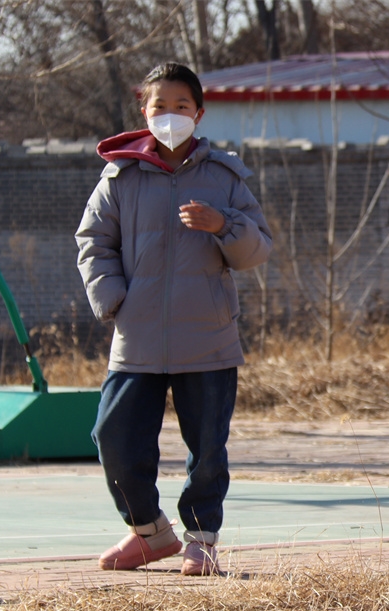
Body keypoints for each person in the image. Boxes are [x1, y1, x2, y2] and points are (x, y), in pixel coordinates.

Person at [76, 62, 272, 576]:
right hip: (137, 335)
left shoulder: (225, 176)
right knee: (112, 437)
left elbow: (257, 249)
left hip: (206, 336)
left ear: (199, 114)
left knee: (207, 447)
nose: (169, 116)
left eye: (181, 107)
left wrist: (223, 224)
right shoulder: (120, 175)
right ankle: (148, 532)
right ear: (144, 112)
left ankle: (201, 539)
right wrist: (115, 299)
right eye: (159, 106)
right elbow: (93, 243)